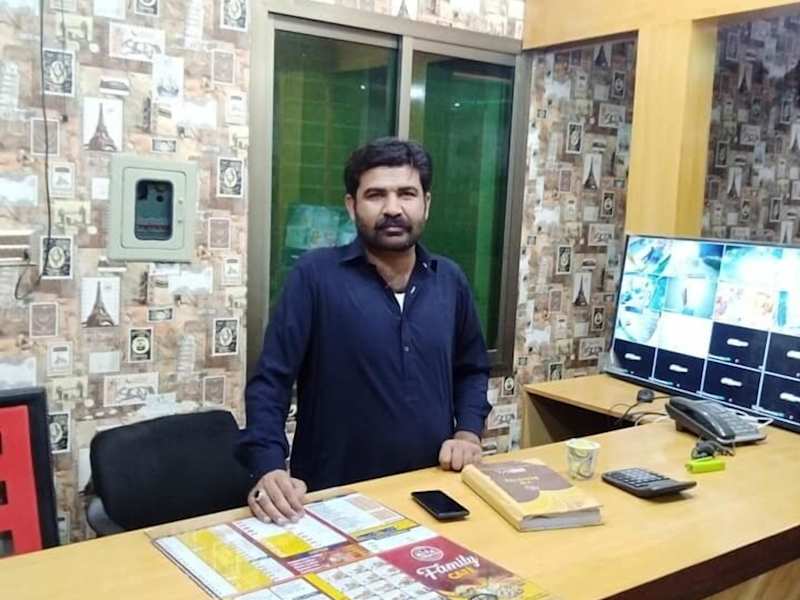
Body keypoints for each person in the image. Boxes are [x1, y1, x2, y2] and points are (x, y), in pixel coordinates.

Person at [238, 138, 491, 524]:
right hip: (332, 500)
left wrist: (468, 433)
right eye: (376, 195)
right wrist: (268, 467)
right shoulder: (315, 277)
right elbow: (270, 381)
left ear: (426, 203)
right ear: (351, 205)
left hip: (433, 489)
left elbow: (471, 369)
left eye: (406, 193)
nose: (393, 209)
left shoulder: (449, 280)